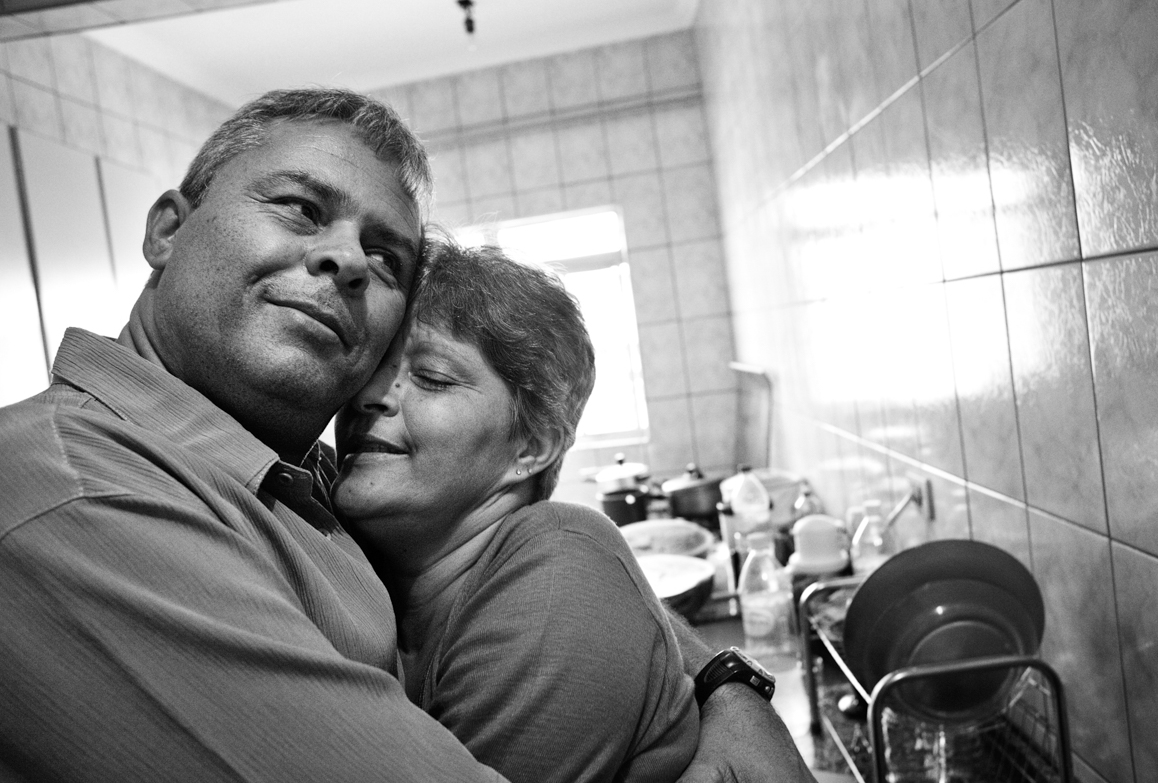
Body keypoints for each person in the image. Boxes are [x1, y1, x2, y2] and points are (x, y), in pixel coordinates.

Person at [0, 87, 807, 782]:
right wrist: (721, 689)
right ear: (168, 230)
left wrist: (722, 683)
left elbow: (571, 583)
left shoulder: (286, 476)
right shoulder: (85, 494)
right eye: (301, 207)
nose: (347, 260)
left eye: (386, 256)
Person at [334, 238, 698, 783]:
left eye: (432, 378)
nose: (372, 396)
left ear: (531, 447)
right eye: (370, 367)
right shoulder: (358, 558)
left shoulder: (559, 577)